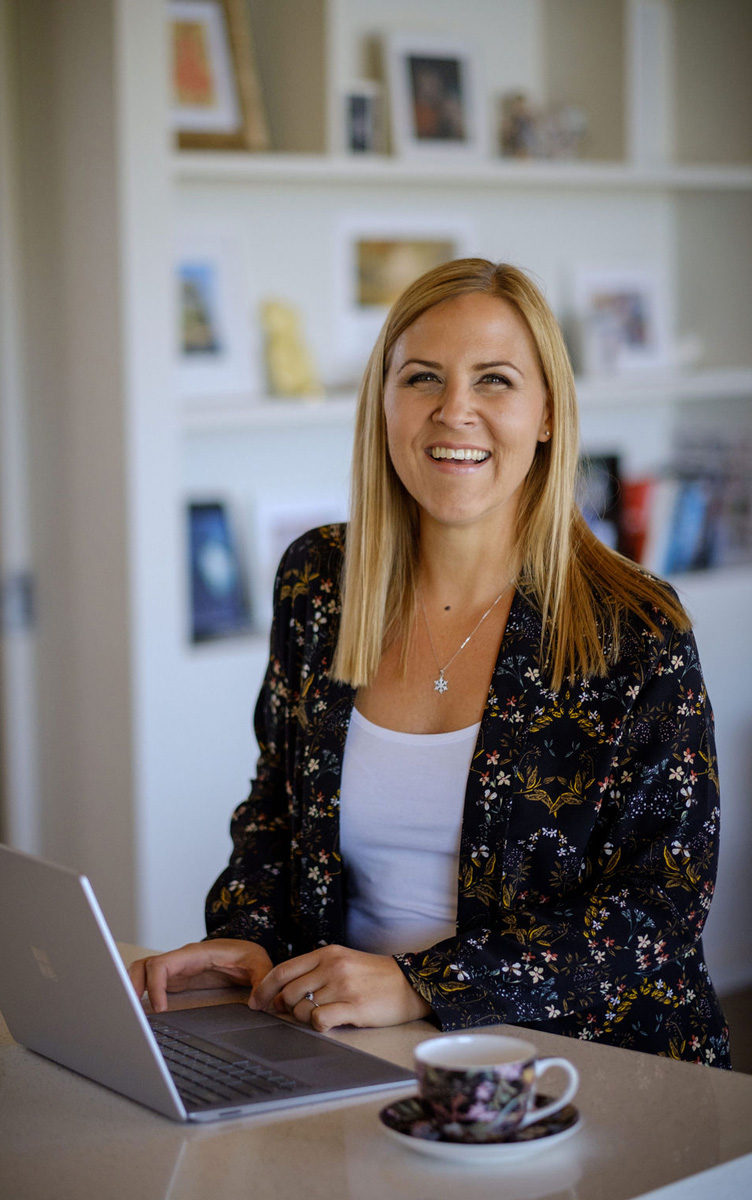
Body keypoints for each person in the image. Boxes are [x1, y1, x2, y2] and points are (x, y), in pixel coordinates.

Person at [131, 258, 731, 1067]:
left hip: (578, 1069)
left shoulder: (634, 628)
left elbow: (660, 910)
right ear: (384, 403)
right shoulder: (320, 583)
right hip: (347, 1048)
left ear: (547, 413)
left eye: (494, 381)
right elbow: (275, 810)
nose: (455, 411)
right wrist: (247, 936)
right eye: (423, 378)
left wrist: (423, 984)